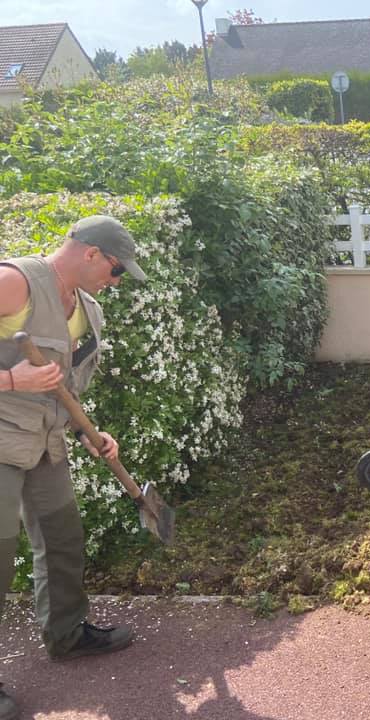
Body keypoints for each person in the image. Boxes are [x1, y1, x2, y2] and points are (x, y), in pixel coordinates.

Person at [0, 215, 147, 720]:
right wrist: (10, 380)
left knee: (63, 541)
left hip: (45, 445)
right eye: (116, 270)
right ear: (90, 253)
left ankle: (67, 635)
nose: (116, 279)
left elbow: (67, 395)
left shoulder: (90, 314)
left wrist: (92, 432)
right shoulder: (14, 282)